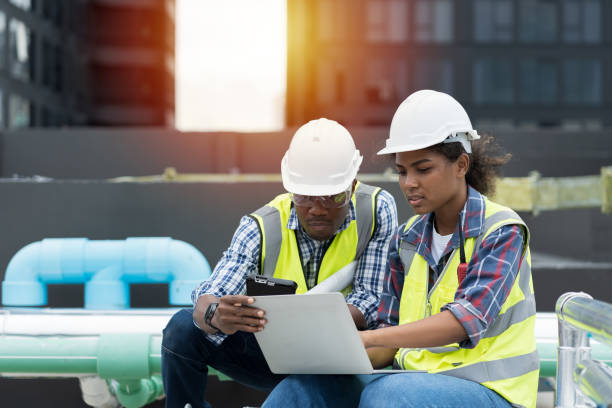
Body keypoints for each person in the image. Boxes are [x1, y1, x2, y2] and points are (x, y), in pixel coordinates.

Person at [263, 90, 538, 408]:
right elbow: (387, 341)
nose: (408, 183)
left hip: (491, 393)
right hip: (413, 386)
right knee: (302, 389)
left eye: (423, 170)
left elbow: (465, 321)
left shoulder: (501, 230)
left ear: (461, 164)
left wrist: (369, 337)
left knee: (388, 396)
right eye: (402, 171)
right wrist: (330, 353)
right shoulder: (405, 239)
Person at [161, 118, 398, 408]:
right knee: (182, 329)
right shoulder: (261, 226)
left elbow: (372, 298)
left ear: (352, 183)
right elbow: (213, 291)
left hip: (340, 351)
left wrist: (312, 321)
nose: (317, 209)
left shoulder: (375, 209)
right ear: (291, 188)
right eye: (305, 196)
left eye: (332, 197)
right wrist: (214, 313)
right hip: (273, 353)